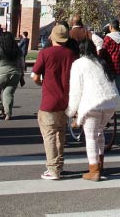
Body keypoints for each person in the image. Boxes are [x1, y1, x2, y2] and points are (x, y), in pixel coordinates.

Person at [66, 38, 119, 181]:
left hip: (92, 104)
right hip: (110, 103)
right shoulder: (101, 63)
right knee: (99, 133)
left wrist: (71, 112)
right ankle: (100, 164)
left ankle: (94, 170)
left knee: (90, 137)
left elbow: (76, 90)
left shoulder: (78, 64)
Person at [32, 24, 77, 180]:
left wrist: (41, 83)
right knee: (60, 134)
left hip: (49, 101)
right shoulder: (72, 55)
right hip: (65, 101)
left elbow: (35, 76)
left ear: (52, 37)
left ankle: (53, 169)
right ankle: (59, 165)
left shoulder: (45, 54)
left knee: (50, 135)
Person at [0, 32, 25, 120]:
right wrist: (22, 73)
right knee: (9, 93)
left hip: (1, 73)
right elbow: (22, 63)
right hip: (15, 73)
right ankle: (8, 113)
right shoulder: (18, 50)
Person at [100, 19, 120, 117]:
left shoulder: (108, 38)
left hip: (109, 67)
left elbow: (103, 52)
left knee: (109, 89)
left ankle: (110, 109)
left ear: (111, 27)